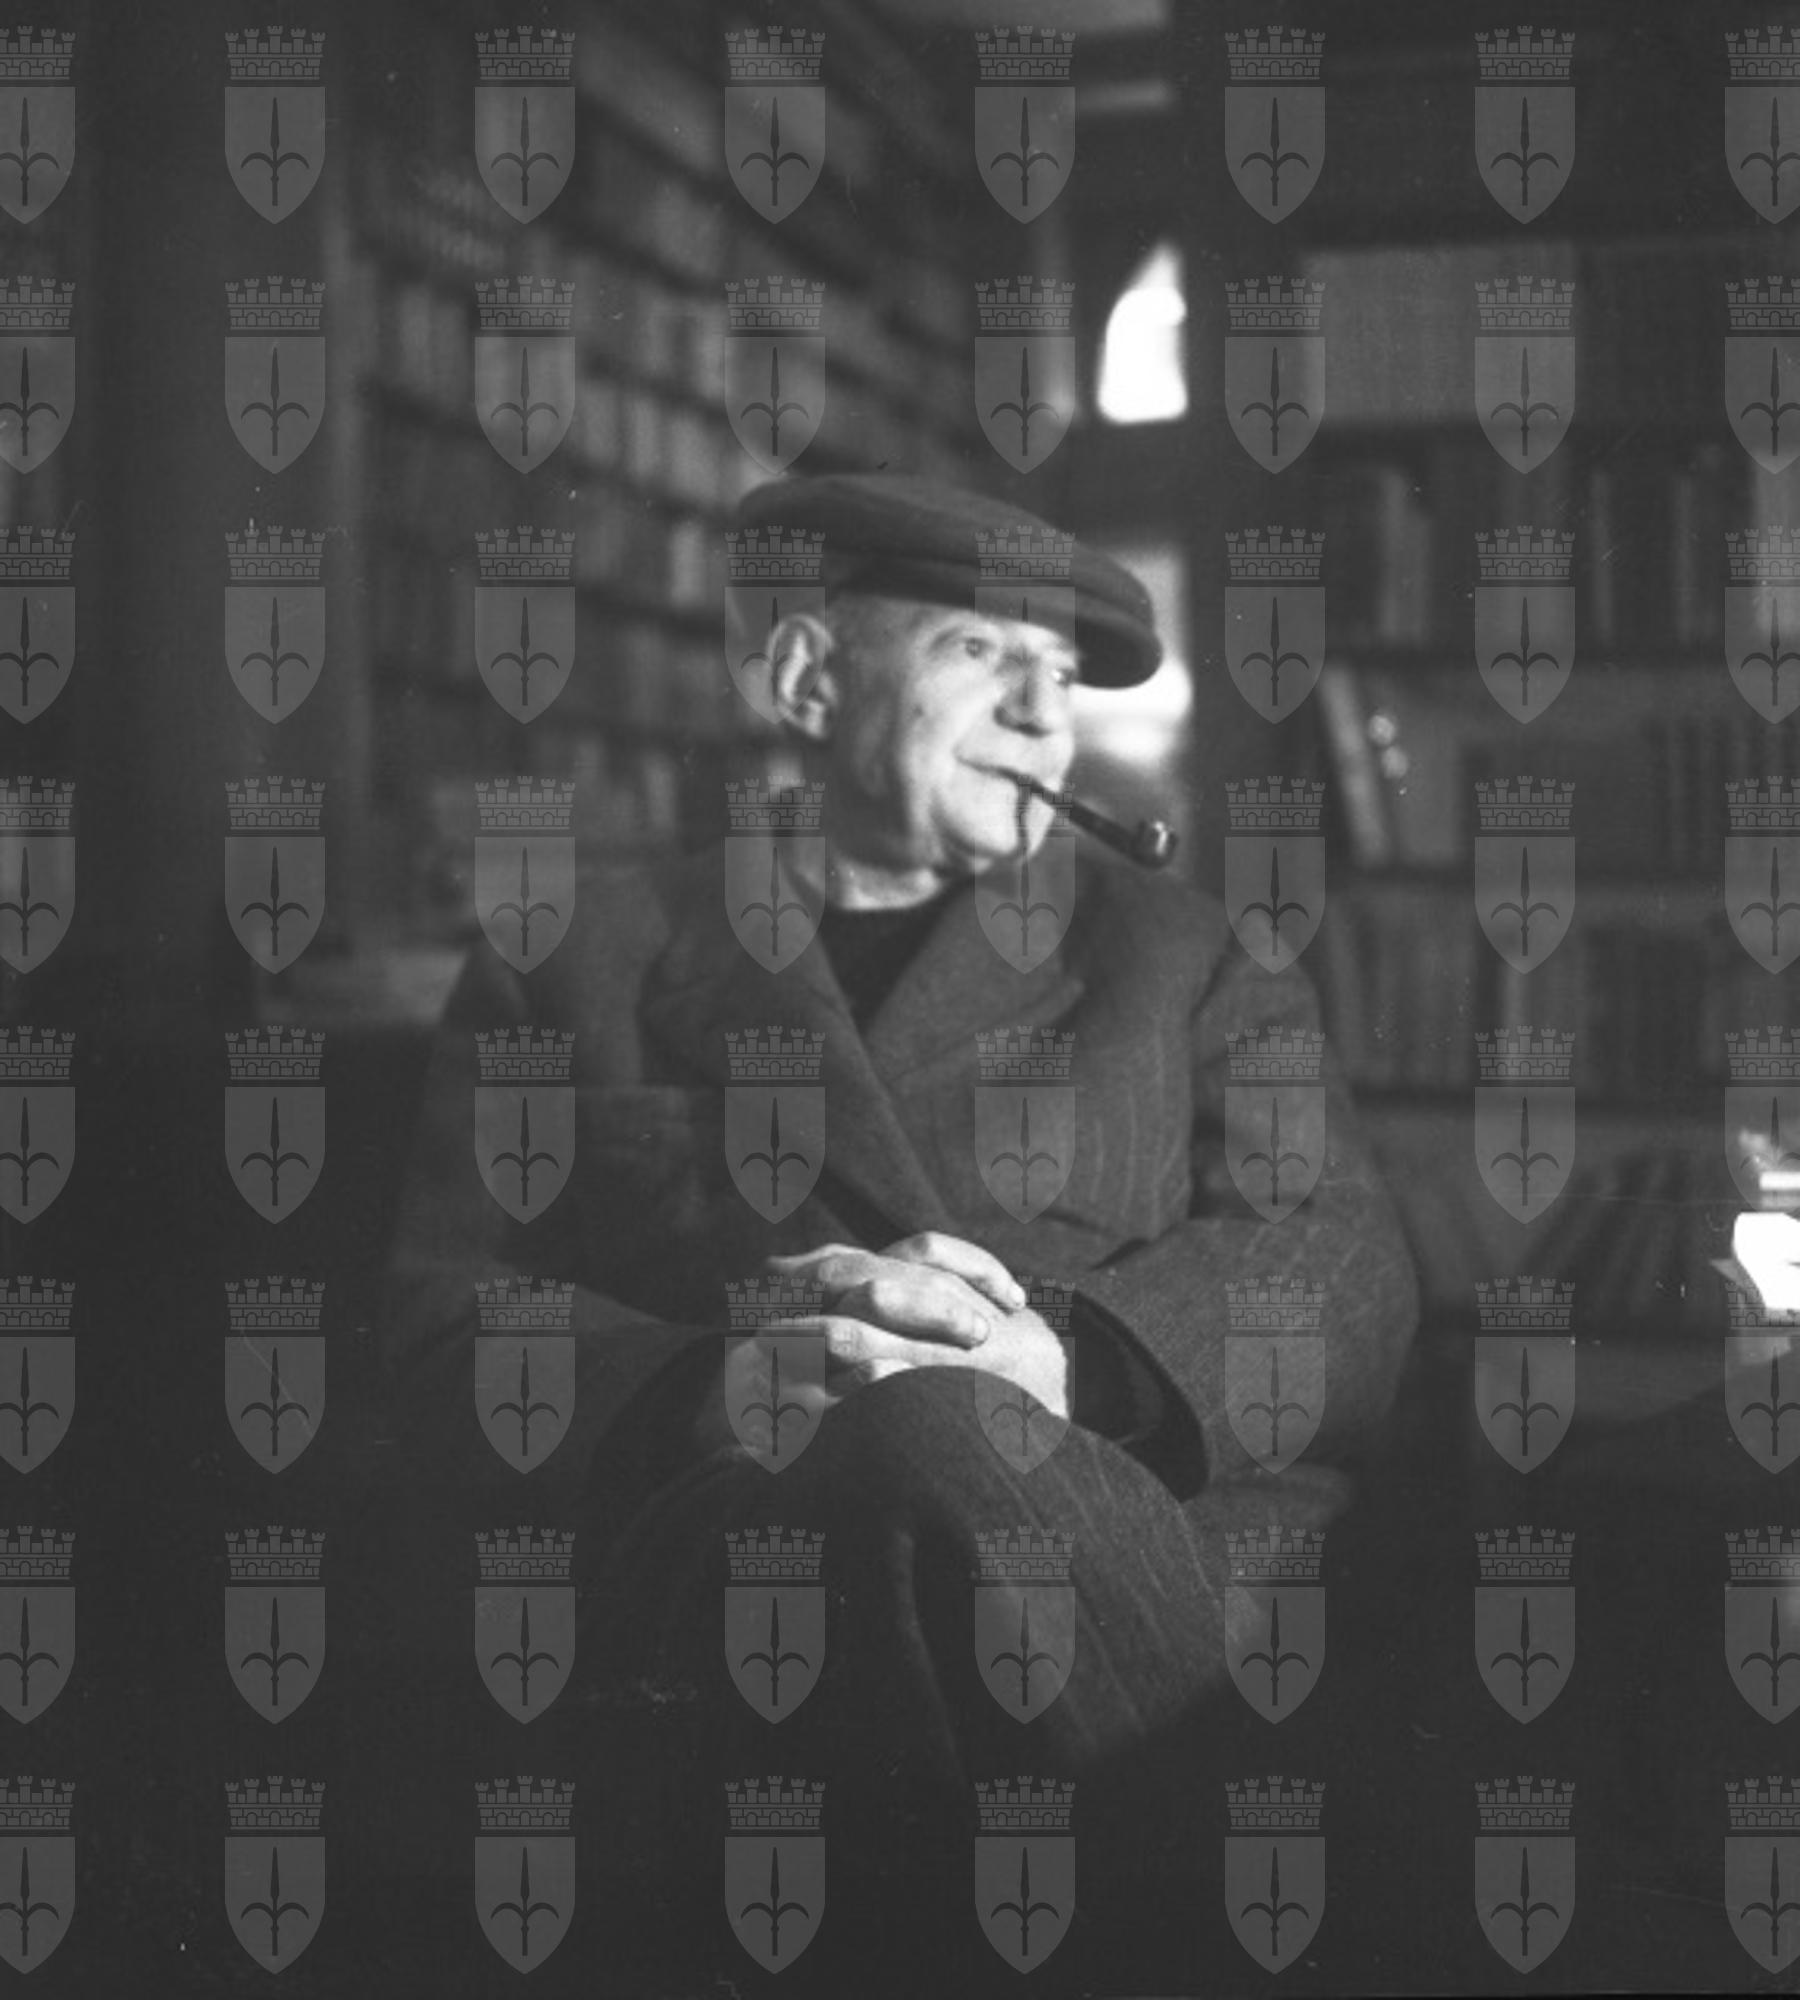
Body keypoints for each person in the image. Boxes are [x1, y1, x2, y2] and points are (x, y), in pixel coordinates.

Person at [376, 472, 1419, 1988]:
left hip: (1126, 1556)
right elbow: (433, 1329)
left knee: (942, 1441)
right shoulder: (572, 964)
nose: (1043, 714)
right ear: (809, 679)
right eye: (981, 653)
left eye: (1060, 677)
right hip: (732, 1568)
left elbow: (1345, 1262)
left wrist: (1062, 1366)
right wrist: (720, 1385)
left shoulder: (1184, 956)